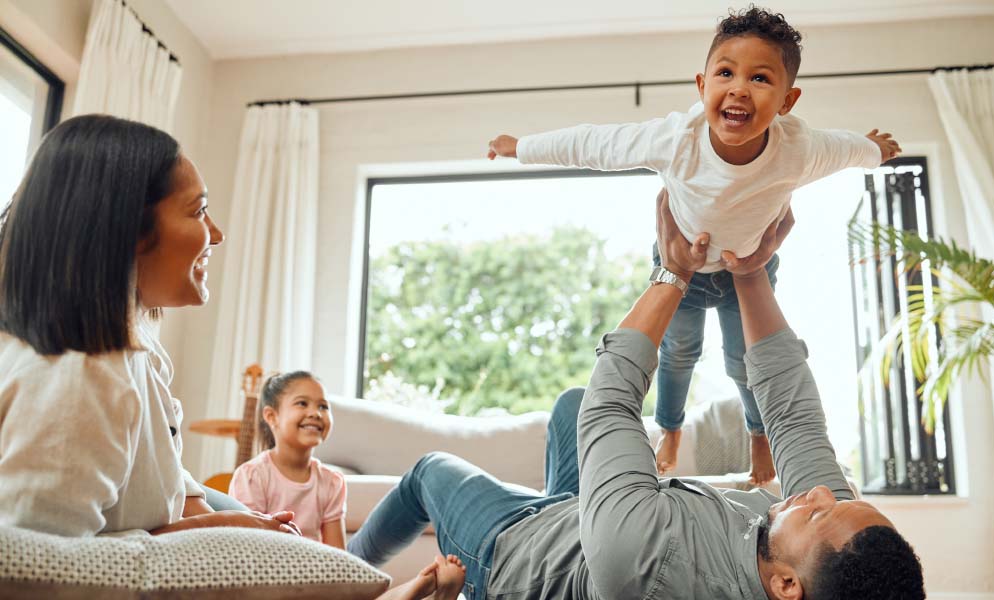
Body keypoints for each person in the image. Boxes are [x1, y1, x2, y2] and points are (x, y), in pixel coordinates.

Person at [347, 190, 924, 600]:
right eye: (837, 498)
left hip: (513, 551)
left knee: (429, 471)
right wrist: (751, 275)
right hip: (587, 521)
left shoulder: (646, 569)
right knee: (568, 404)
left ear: (786, 585)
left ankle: (347, 574)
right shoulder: (813, 549)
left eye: (820, 509)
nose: (819, 492)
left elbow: (612, 403)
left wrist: (673, 272)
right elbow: (794, 417)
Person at [0, 114, 467, 600]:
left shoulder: (132, 351)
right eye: (198, 211)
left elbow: (163, 480)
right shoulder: (79, 375)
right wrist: (231, 538)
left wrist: (225, 521)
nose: (217, 234)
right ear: (128, 230)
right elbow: (40, 571)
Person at [487, 5, 901, 484]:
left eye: (761, 78)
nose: (740, 88)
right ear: (703, 86)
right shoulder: (675, 140)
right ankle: (670, 427)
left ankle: (759, 435)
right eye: (725, 72)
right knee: (679, 352)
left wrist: (874, 151)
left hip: (748, 269)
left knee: (743, 362)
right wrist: (522, 147)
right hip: (680, 264)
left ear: (788, 101)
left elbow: (847, 149)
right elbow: (594, 144)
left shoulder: (799, 149)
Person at [229, 371, 348, 547]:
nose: (315, 413)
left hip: (316, 569)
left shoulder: (332, 482)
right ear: (271, 416)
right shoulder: (251, 476)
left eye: (323, 406)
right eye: (302, 403)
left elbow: (338, 556)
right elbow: (247, 546)